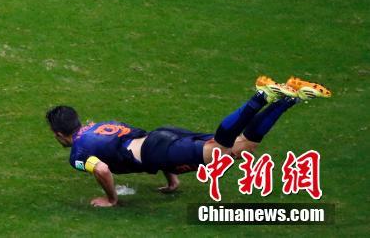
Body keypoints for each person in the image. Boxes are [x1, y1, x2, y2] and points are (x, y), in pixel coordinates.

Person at [46, 75, 331, 207]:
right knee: (242, 147)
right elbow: (138, 141)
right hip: (161, 137)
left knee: (220, 150)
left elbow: (102, 169)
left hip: (157, 149)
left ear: (60, 134)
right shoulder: (101, 126)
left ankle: (260, 97)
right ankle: (291, 97)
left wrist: (111, 199)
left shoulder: (78, 153)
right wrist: (171, 178)